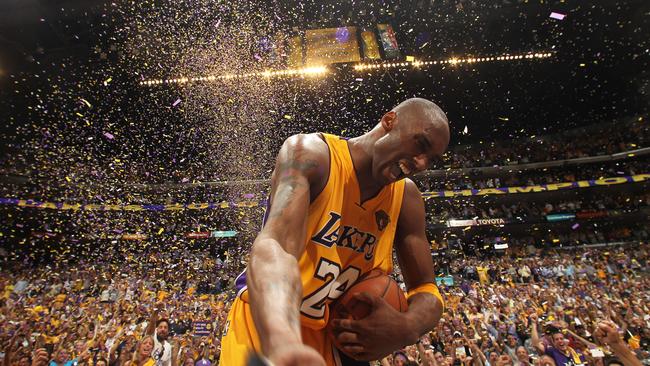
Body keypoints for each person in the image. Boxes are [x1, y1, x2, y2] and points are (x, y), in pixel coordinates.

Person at [219, 98, 450, 366]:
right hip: (267, 325)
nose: (422, 163)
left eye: (431, 159)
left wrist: (407, 327)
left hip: (336, 341)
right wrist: (281, 336)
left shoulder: (407, 198)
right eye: (421, 145)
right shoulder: (311, 155)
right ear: (389, 121)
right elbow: (275, 247)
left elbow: (426, 289)